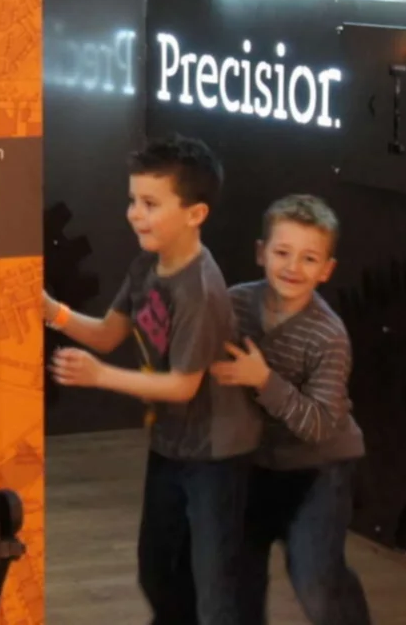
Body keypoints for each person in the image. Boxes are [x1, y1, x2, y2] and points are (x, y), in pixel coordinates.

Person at [45, 135, 260, 625]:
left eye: (150, 204)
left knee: (214, 587)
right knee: (157, 572)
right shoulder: (146, 265)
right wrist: (53, 311)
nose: (135, 214)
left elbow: (184, 385)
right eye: (133, 201)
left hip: (216, 456)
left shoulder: (200, 291)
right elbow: (107, 333)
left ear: (195, 213)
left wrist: (101, 377)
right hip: (170, 445)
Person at [212, 196, 371, 625]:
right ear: (261, 252)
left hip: (318, 470)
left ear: (326, 270)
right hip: (251, 462)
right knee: (237, 574)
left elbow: (320, 426)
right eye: (282, 252)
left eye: (309, 258)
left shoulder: (328, 336)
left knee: (316, 578)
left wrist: (264, 380)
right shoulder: (235, 304)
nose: (293, 267)